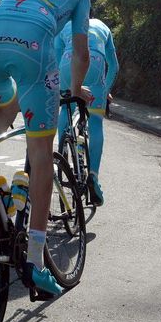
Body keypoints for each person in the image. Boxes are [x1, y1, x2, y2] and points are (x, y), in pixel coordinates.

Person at [0, 0, 93, 298]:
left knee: (3, 112)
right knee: (42, 154)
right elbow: (80, 51)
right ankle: (37, 263)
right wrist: (76, 88)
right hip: (34, 44)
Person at [55, 14, 118, 206]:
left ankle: (62, 154)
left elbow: (56, 61)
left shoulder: (65, 26)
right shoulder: (103, 26)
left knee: (66, 107)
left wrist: (62, 88)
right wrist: (104, 91)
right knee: (96, 122)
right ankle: (93, 177)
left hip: (68, 62)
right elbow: (114, 66)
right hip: (95, 64)